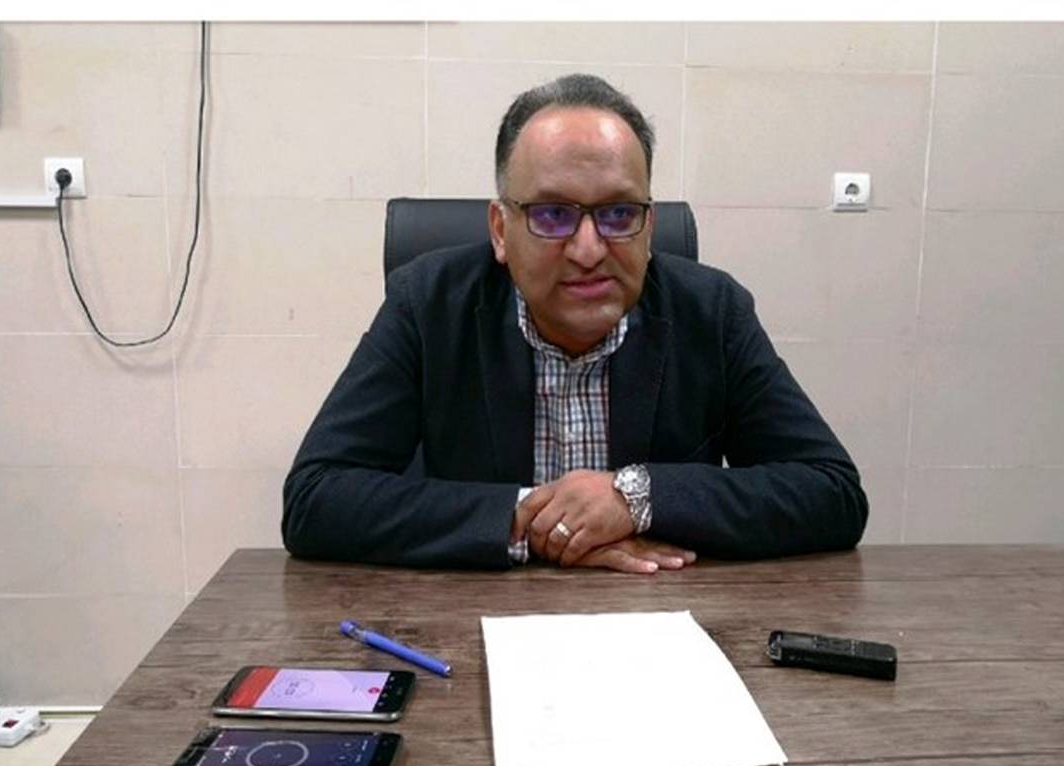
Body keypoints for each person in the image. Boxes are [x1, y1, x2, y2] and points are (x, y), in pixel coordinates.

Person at [282, 73, 868, 574]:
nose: (588, 249)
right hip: (475, 622)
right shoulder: (429, 304)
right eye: (552, 214)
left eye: (619, 213)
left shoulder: (712, 312)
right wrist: (531, 521)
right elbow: (315, 498)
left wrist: (634, 497)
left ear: (648, 227)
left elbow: (832, 492)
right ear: (500, 230)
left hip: (660, 618)